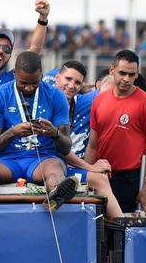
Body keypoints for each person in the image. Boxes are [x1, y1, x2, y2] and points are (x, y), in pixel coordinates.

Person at [0, 51, 78, 211]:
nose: (29, 88)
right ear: (14, 74)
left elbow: (66, 146)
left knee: (55, 167)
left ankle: (56, 194)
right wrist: (13, 132)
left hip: (42, 162)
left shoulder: (56, 96)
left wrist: (53, 133)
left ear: (41, 74)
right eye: (23, 83)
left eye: (34, 82)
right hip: (8, 162)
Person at [85, 50, 146, 215]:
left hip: (128, 180)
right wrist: (87, 173)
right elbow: (92, 145)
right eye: (122, 73)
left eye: (131, 74)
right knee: (95, 230)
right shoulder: (99, 100)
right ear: (112, 71)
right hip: (100, 175)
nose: (126, 79)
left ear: (137, 74)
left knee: (119, 232)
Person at [0, 0, 50, 158]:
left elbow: (33, 51)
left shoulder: (11, 80)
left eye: (7, 49)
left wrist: (43, 18)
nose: (0, 51)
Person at [53, 61, 123, 218]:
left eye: (77, 82)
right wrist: (90, 167)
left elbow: (116, 97)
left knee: (103, 175)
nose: (71, 86)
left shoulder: (88, 102)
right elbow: (59, 150)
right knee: (99, 179)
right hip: (49, 165)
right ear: (57, 78)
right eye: (68, 79)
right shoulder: (45, 102)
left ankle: (115, 232)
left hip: (71, 167)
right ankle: (124, 231)